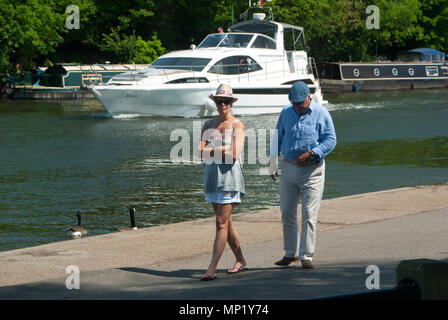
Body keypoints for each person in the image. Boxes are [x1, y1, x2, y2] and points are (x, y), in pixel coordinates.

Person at [269, 81, 336, 269]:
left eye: (300, 103)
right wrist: (272, 163)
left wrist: (313, 153)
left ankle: (306, 255)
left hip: (312, 171)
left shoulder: (321, 113)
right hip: (289, 167)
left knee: (309, 214)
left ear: (309, 97)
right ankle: (290, 254)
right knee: (287, 212)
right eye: (294, 103)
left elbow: (331, 140)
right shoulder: (286, 113)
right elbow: (277, 136)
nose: (297, 106)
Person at [198, 83, 247, 281]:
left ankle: (212, 268)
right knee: (226, 222)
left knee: (220, 222)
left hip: (230, 179)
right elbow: (199, 152)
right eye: (219, 101)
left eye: (226, 102)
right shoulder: (208, 125)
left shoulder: (238, 125)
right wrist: (220, 151)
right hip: (212, 178)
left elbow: (234, 154)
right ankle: (241, 260)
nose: (223, 105)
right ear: (215, 102)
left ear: (231, 104)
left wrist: (213, 151)